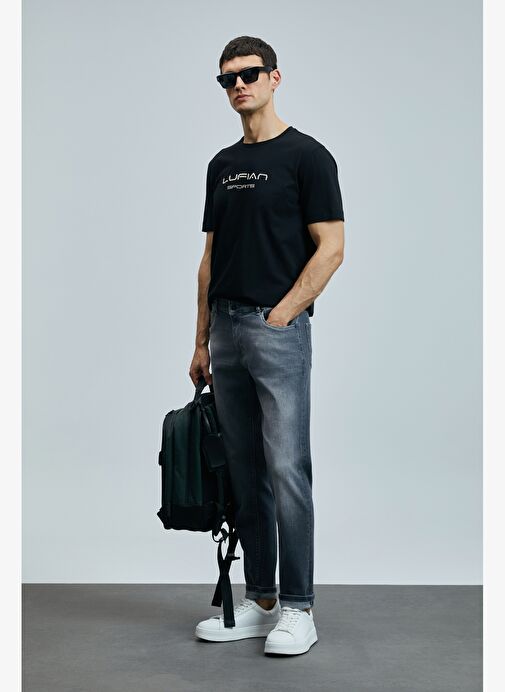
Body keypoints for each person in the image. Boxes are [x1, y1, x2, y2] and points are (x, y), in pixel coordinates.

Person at [190, 35, 345, 656]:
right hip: (225, 331)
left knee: (287, 469)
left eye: (249, 74)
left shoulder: (308, 156)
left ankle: (300, 609)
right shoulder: (221, 165)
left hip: (275, 329)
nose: (238, 85)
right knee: (244, 469)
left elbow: (331, 247)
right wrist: (201, 340)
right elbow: (208, 258)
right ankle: (261, 602)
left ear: (274, 78)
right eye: (227, 78)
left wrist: (282, 314)